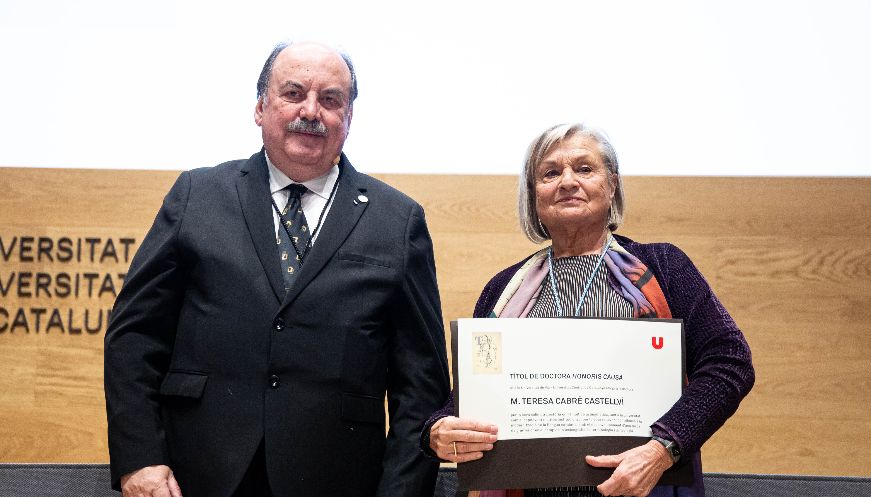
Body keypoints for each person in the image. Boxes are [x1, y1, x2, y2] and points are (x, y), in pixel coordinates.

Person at [104, 41, 450, 497]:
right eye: (293, 93)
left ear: (349, 116)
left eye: (330, 100)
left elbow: (421, 385)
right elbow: (134, 336)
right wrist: (140, 458)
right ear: (260, 107)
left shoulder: (397, 220)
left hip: (337, 479)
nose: (311, 111)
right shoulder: (197, 196)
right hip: (196, 475)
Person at [423, 123, 754, 497]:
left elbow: (729, 361)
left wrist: (664, 448)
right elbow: (468, 401)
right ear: (534, 195)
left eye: (584, 168)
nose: (567, 181)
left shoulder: (664, 267)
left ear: (611, 186)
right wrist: (437, 431)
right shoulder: (503, 289)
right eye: (550, 173)